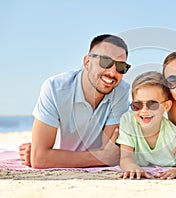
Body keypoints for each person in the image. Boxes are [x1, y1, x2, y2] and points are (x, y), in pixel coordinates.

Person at [19, 34, 131, 168]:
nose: (113, 73)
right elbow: (40, 159)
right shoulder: (55, 88)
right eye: (105, 61)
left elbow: (110, 152)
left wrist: (54, 157)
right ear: (87, 62)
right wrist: (100, 157)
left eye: (121, 66)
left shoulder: (121, 90)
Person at [116, 71, 176, 180]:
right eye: (137, 105)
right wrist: (132, 167)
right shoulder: (128, 121)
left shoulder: (173, 135)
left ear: (166, 106)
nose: (144, 110)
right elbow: (126, 157)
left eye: (152, 104)